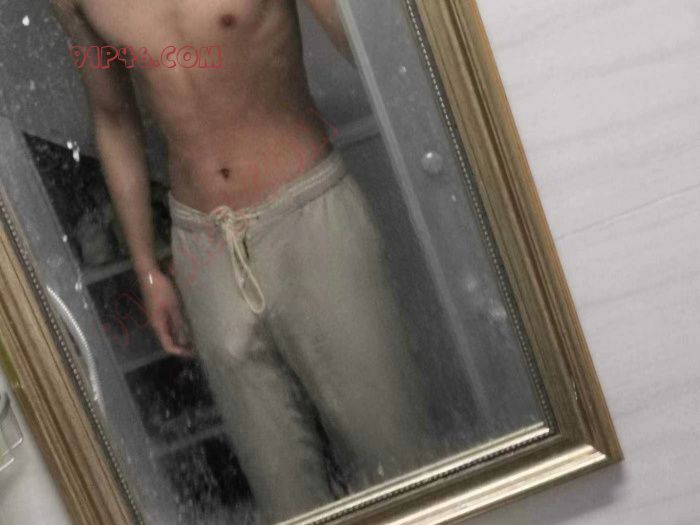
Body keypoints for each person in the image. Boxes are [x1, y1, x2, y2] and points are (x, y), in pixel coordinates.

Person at [52, 1, 437, 522]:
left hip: (308, 213)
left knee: (400, 456)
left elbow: (366, 44)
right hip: (201, 245)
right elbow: (114, 118)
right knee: (283, 489)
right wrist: (147, 270)